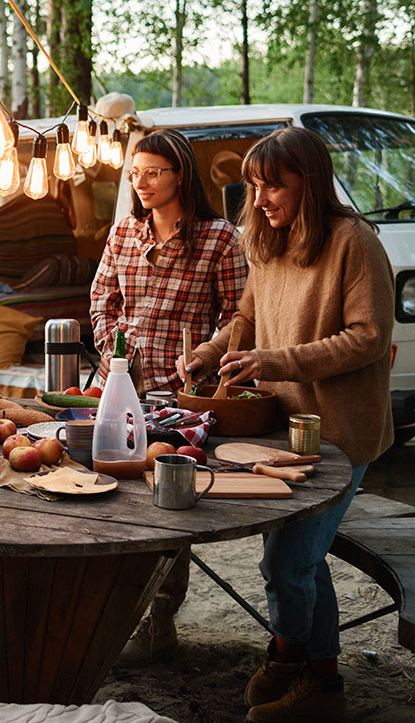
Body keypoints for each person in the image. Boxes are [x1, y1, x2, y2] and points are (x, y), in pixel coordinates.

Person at [181, 126, 394, 723]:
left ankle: (311, 674)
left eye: (274, 185)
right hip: (282, 431)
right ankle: (302, 665)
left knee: (289, 561)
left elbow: (371, 337)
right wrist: (206, 350)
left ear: (311, 182)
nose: (261, 199)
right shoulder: (268, 241)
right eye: (254, 186)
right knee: (288, 556)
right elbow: (247, 317)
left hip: (340, 435)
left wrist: (278, 360)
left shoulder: (354, 241)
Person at [89, 129, 249, 664]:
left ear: (180, 173)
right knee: (109, 495)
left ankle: (159, 620)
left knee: (166, 506)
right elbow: (101, 298)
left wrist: (204, 352)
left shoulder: (219, 238)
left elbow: (237, 315)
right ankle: (110, 613)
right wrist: (114, 347)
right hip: (122, 388)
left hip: (181, 397)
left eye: (153, 172)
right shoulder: (123, 234)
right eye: (135, 173)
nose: (142, 183)